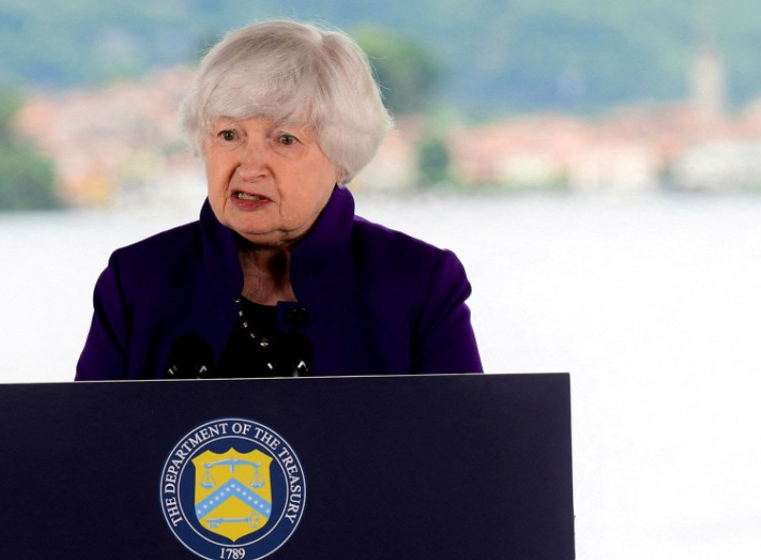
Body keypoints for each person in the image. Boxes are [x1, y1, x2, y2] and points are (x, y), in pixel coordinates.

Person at [75, 19, 481, 380]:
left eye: (285, 139)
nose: (250, 167)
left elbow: (465, 454)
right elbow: (88, 453)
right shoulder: (135, 281)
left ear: (342, 157)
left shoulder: (421, 283)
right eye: (229, 135)